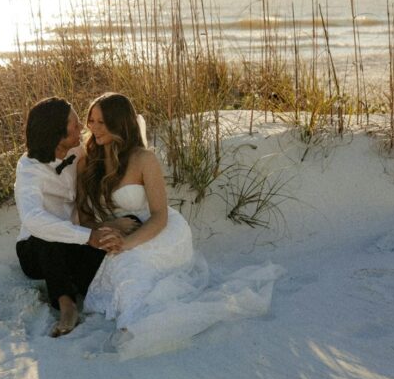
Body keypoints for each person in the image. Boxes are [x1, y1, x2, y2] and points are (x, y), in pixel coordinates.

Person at [78, 92, 284, 358]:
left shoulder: (143, 159)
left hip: (159, 231)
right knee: (125, 266)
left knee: (129, 263)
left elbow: (160, 215)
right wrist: (111, 225)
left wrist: (127, 243)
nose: (94, 128)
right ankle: (134, 317)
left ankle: (135, 324)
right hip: (119, 229)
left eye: (102, 122)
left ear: (120, 124)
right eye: (91, 121)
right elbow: (83, 217)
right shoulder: (87, 162)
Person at [14, 97, 123, 337]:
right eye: (75, 125)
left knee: (107, 250)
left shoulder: (77, 150)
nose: (82, 128)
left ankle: (94, 289)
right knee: (47, 237)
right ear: (57, 134)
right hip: (36, 251)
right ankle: (67, 305)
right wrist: (88, 236)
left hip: (74, 244)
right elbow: (33, 219)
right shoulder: (29, 168)